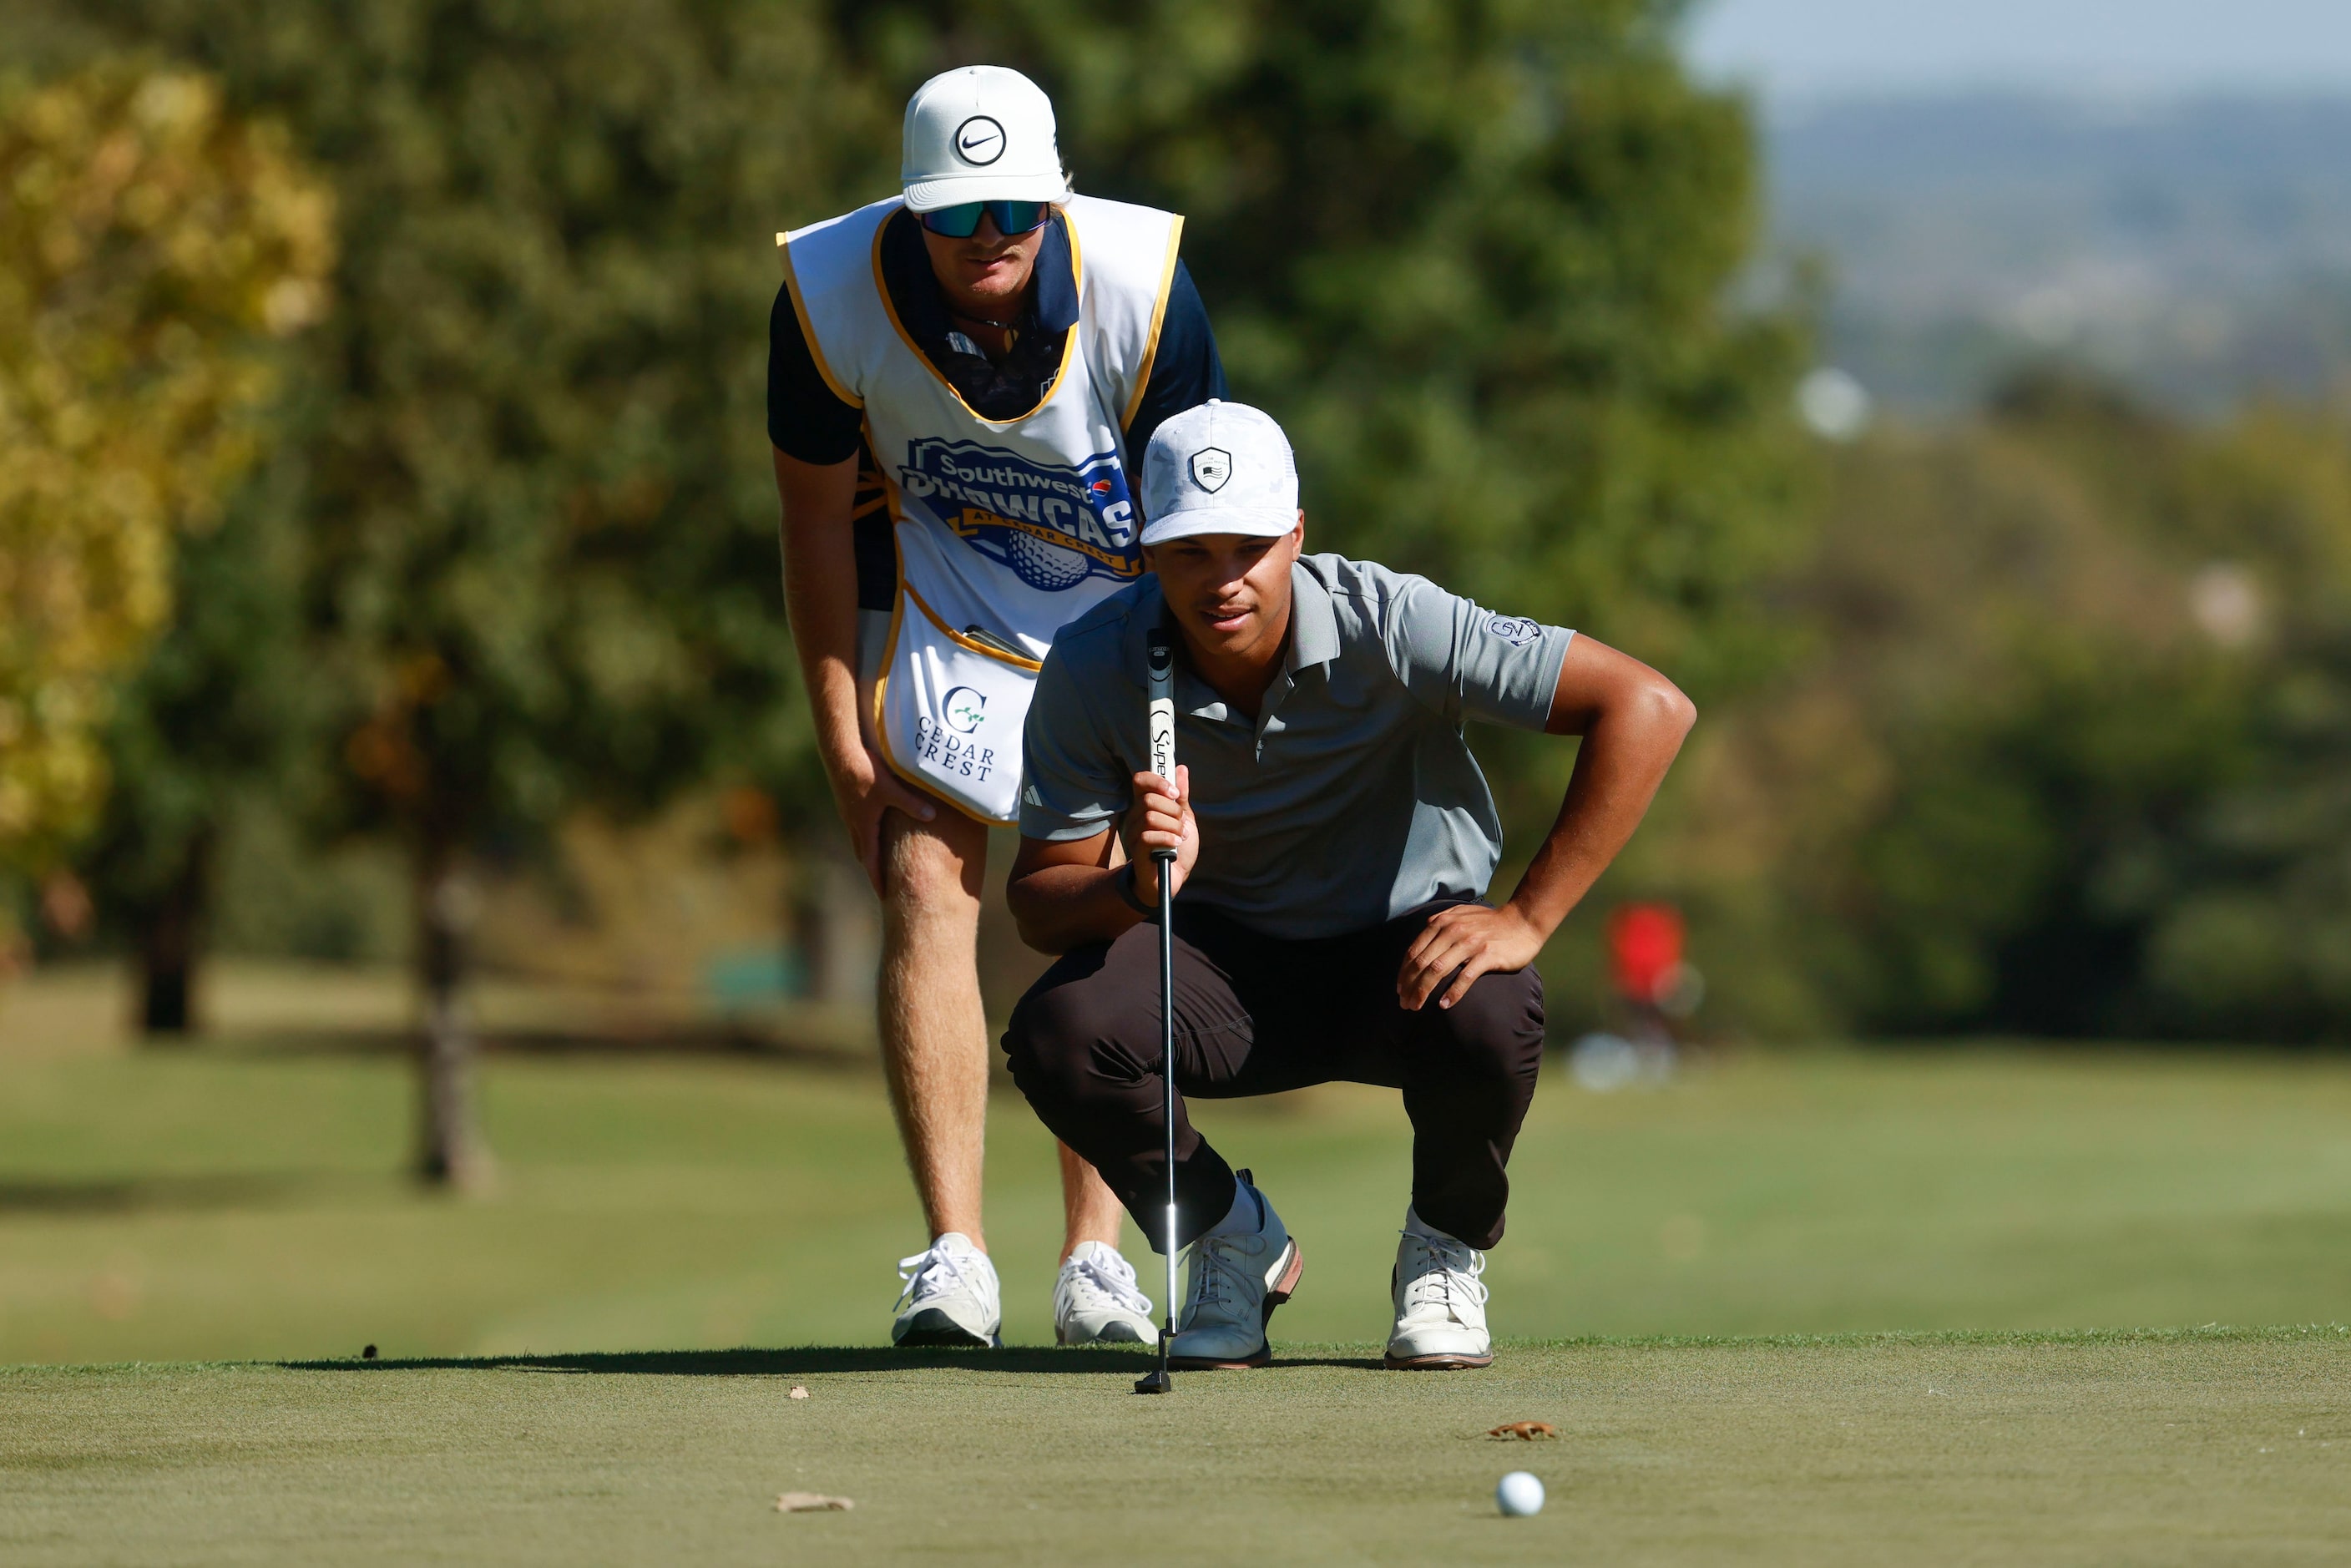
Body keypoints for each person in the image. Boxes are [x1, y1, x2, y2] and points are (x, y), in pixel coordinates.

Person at [999, 401, 1696, 1369]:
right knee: (1056, 1033)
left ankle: (1441, 1247)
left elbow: (1647, 707)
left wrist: (1528, 917)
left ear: (1295, 536)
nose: (1222, 580)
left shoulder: (1390, 619)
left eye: (1248, 546)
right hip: (1216, 971)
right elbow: (1039, 898)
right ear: (1149, 553)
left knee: (1492, 1002)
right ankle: (1232, 1234)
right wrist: (1133, 893)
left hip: (1399, 962)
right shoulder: (1094, 665)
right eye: (1190, 551)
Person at [770, 65, 1227, 1347]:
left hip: (1121, 610)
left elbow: (1204, 521)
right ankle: (954, 1256)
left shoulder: (1146, 287)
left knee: (1098, 900)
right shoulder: (825, 292)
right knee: (924, 880)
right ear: (912, 211)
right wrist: (843, 744)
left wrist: (1196, 720)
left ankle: (1093, 1265)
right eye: (958, 213)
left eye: (1013, 210)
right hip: (939, 590)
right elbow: (812, 525)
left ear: (1053, 198)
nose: (990, 239)